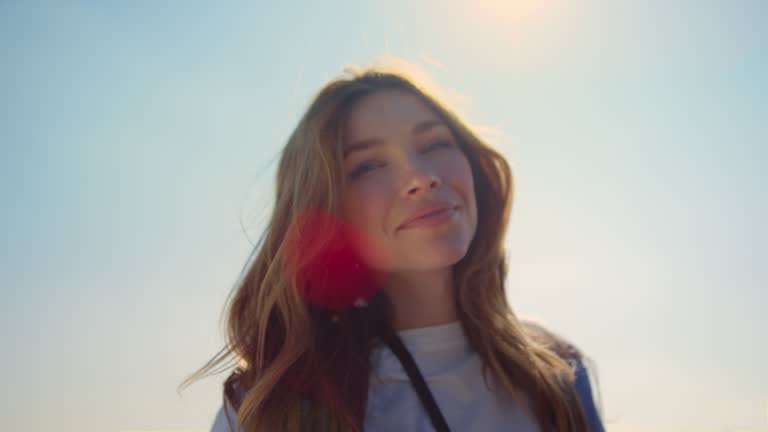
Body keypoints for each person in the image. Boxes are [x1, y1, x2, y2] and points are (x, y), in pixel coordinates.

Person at [180, 59, 606, 432]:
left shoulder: (558, 372)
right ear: (328, 215)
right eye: (368, 165)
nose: (420, 177)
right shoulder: (271, 410)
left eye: (436, 143)